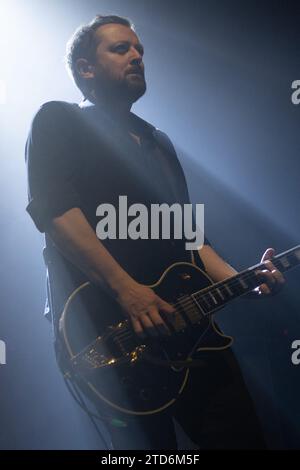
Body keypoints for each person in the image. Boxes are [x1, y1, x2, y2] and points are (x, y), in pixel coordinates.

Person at [25, 15, 285, 449]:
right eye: (121, 49)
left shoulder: (159, 142)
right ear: (86, 68)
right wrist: (128, 291)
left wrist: (247, 279)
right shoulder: (59, 120)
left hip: (192, 333)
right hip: (112, 334)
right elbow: (55, 214)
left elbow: (188, 238)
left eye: (140, 50)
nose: (137, 57)